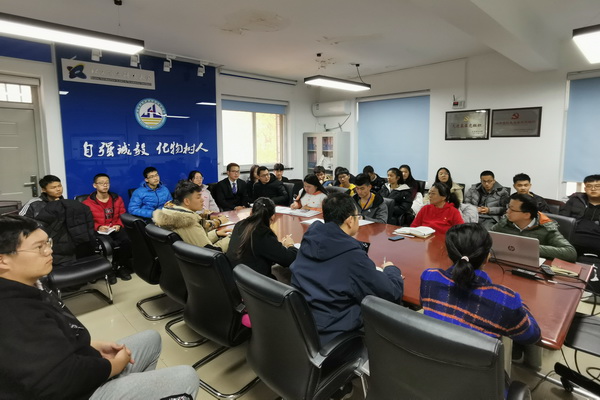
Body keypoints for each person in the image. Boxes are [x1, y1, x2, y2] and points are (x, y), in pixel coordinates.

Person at [0, 215, 199, 400]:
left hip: (77, 362)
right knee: (185, 377)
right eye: (39, 247)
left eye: (47, 243)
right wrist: (113, 366)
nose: (49, 251)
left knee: (151, 339)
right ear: (3, 260)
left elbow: (51, 341)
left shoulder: (32, 283)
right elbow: (60, 379)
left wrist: (90, 346)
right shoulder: (13, 312)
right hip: (74, 390)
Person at [290, 192, 404, 346]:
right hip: (335, 335)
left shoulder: (310, 239)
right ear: (350, 220)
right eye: (358, 216)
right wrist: (392, 270)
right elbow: (391, 293)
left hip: (304, 325)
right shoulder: (351, 255)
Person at [420, 223, 541, 345]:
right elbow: (532, 336)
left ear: (449, 254)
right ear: (487, 257)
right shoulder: (506, 300)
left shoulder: (430, 277)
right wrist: (520, 304)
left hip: (433, 350)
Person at [491, 193, 577, 262]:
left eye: (512, 210)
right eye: (508, 207)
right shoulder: (505, 222)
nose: (507, 211)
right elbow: (488, 238)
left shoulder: (546, 227)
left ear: (526, 215)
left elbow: (570, 252)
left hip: (532, 267)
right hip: (505, 262)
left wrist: (532, 248)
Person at [226, 197, 297, 278]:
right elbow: (290, 259)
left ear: (251, 212)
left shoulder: (239, 225)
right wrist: (290, 245)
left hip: (235, 277)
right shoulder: (263, 234)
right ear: (273, 217)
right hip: (255, 282)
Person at [153, 180, 231, 252]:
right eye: (198, 197)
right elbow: (210, 251)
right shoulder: (188, 222)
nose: (202, 200)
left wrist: (216, 234)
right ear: (187, 201)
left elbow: (195, 240)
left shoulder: (171, 213)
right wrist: (233, 238)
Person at [83, 173, 133, 281]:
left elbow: (122, 214)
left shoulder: (117, 199)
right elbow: (87, 221)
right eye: (101, 183)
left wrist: (118, 224)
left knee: (127, 240)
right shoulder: (87, 203)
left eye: (107, 183)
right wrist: (98, 227)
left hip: (115, 227)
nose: (105, 185)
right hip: (100, 231)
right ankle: (109, 269)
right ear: (95, 185)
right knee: (108, 244)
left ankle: (120, 267)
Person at [560, 174, 600, 257]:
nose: (593, 189)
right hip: (574, 236)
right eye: (589, 186)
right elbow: (563, 220)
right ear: (585, 189)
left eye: (597, 186)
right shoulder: (575, 200)